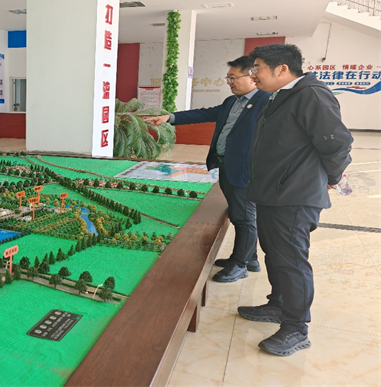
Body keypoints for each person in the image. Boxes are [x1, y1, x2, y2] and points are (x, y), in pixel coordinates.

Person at [238, 44, 353, 356]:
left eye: (257, 68)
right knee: (274, 254)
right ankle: (278, 305)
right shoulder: (282, 95)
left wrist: (332, 177)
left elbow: (337, 143)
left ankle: (296, 328)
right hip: (273, 192)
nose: (253, 75)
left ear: (282, 69)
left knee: (290, 261)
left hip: (293, 196)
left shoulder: (311, 95)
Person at [144, 56, 269, 283]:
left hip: (246, 171)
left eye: (233, 78)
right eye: (228, 78)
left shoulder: (266, 101)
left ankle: (240, 265)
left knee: (243, 217)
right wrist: (170, 117)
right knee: (239, 213)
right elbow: (204, 113)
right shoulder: (232, 102)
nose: (229, 82)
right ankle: (249, 258)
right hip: (227, 166)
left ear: (252, 77)